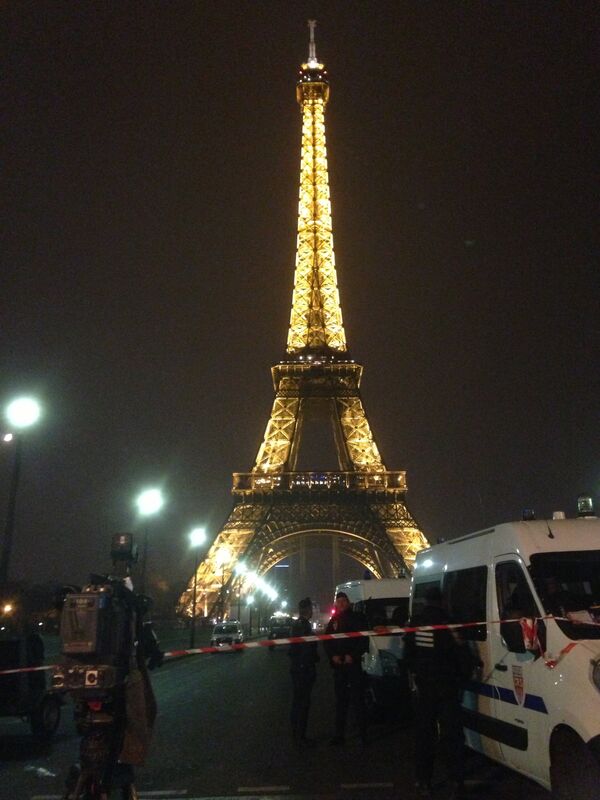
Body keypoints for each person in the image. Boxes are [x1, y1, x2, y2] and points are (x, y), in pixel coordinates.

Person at [404, 586, 477, 800]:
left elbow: (407, 656)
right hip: (447, 687)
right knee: (452, 736)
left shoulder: (415, 624)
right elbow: (463, 655)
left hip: (424, 688)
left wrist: (416, 676)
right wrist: (463, 677)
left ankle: (424, 781)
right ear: (442, 601)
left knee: (424, 736)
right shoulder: (450, 623)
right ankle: (456, 780)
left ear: (426, 601)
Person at [323, 591, 369, 746]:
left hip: (353, 664)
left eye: (344, 601)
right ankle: (340, 735)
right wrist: (333, 656)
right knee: (341, 701)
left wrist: (353, 656)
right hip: (340, 665)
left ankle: (363, 735)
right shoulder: (333, 620)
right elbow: (327, 641)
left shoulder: (357, 618)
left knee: (357, 701)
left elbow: (364, 640)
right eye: (339, 601)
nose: (341, 603)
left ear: (348, 603)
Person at [289, 597, 319, 747]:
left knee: (298, 701)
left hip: (298, 668)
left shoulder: (297, 624)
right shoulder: (304, 626)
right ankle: (301, 736)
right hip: (304, 669)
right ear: (309, 610)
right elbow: (306, 650)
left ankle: (296, 733)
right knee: (303, 702)